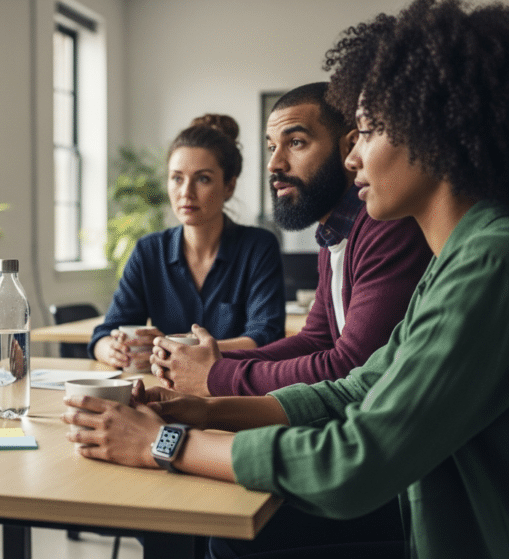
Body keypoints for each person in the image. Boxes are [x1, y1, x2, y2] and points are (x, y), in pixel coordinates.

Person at [64, 1, 509, 557]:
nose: (353, 158)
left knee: (236, 541)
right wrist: (205, 410)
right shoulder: (453, 261)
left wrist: (165, 441)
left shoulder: (488, 262)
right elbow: (357, 388)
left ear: (433, 131)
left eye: (368, 132)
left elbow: (355, 459)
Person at [152, 83, 431, 399]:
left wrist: (217, 375)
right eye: (272, 147)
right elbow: (316, 340)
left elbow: (352, 365)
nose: (274, 164)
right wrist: (205, 362)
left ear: (350, 147)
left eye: (296, 142)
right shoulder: (334, 234)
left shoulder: (386, 227)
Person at [91, 115, 285, 373]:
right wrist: (111, 350)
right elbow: (105, 333)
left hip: (235, 386)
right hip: (165, 385)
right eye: (177, 178)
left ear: (229, 186)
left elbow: (265, 337)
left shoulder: (258, 247)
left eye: (202, 179)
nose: (186, 192)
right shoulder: (149, 251)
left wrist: (175, 347)